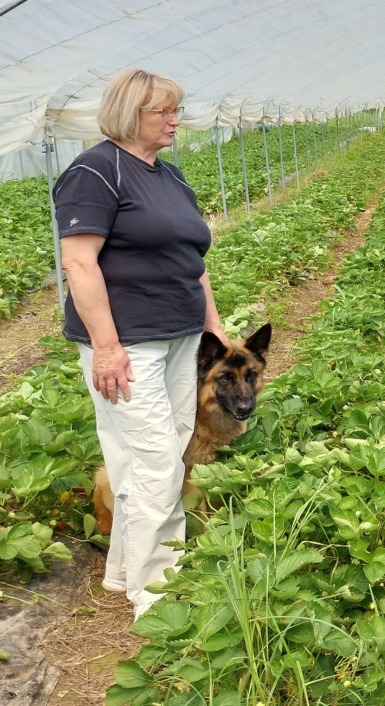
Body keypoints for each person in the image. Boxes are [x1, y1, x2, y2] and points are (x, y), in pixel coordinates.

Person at [54, 69, 225, 620]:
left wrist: (214, 329)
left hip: (180, 337)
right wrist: (106, 346)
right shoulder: (95, 171)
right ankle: (158, 593)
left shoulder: (169, 177)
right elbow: (79, 262)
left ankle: (125, 569)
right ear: (131, 113)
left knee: (146, 455)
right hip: (129, 344)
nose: (176, 119)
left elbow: (192, 262)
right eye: (165, 111)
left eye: (176, 109)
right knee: (156, 462)